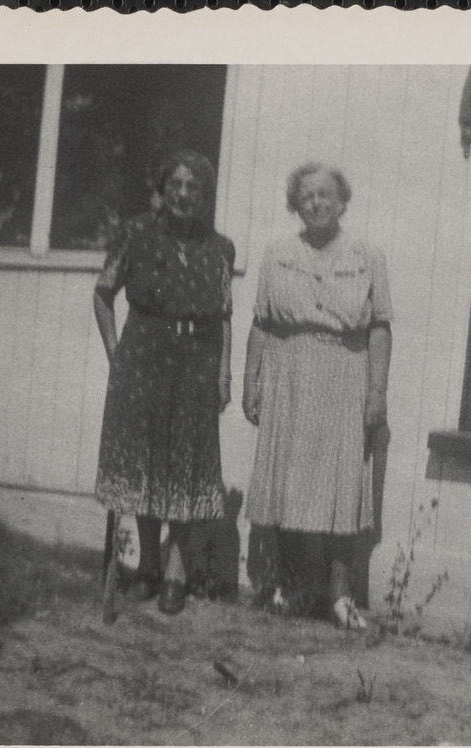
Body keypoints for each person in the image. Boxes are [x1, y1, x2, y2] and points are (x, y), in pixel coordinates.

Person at [242, 162, 393, 630]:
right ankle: (290, 588)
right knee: (288, 481)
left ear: (342, 201)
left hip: (344, 376)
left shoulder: (368, 256)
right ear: (295, 204)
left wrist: (376, 391)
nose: (315, 203)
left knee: (341, 486)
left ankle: (340, 596)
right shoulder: (277, 253)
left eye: (325, 195)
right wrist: (252, 381)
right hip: (289, 376)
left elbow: (380, 328)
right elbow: (262, 324)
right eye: (306, 196)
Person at [93, 150, 235, 616]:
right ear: (163, 188)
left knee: (187, 467)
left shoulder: (220, 248)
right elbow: (103, 294)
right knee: (147, 462)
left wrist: (223, 370)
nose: (183, 195)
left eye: (194, 188)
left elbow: (224, 317)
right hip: (143, 358)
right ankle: (148, 568)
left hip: (195, 363)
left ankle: (176, 573)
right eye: (175, 184)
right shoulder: (136, 234)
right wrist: (116, 357)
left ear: (204, 196)